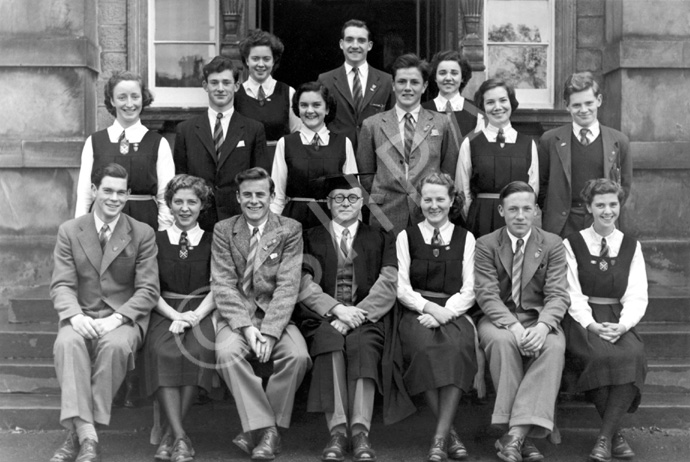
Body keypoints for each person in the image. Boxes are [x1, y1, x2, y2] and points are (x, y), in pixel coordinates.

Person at [49, 163, 159, 462]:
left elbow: (148, 290)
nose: (114, 198)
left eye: (121, 192)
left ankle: (78, 435)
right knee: (67, 343)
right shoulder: (70, 231)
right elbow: (61, 285)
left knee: (114, 347)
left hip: (123, 318)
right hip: (82, 313)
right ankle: (88, 436)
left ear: (129, 195)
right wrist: (75, 317)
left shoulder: (142, 233)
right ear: (94, 190)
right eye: (107, 190)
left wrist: (117, 318)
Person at [212, 167, 311, 460]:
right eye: (248, 195)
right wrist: (245, 327)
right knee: (227, 354)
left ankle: (255, 428)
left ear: (271, 196)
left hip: (274, 316)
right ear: (238, 198)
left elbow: (288, 285)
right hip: (238, 317)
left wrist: (269, 331)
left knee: (298, 357)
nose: (254, 201)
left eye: (260, 194)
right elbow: (223, 284)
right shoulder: (224, 230)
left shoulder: (289, 229)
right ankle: (268, 431)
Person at [297, 173, 397, 462]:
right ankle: (338, 431)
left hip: (366, 317)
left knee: (362, 346)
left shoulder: (379, 237)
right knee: (329, 343)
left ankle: (360, 431)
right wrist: (336, 310)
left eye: (352, 198)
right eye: (338, 198)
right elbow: (302, 281)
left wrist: (356, 315)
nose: (345, 203)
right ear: (328, 203)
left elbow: (388, 282)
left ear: (362, 203)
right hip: (323, 317)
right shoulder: (310, 236)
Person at [474, 181, 569, 462]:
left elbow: (558, 295)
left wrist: (542, 327)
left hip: (538, 318)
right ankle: (522, 434)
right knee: (503, 343)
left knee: (552, 347)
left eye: (527, 209)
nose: (520, 215)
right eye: (513, 209)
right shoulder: (487, 244)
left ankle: (513, 435)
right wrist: (513, 327)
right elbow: (487, 295)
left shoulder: (552, 244)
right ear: (501, 210)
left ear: (536, 211)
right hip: (498, 318)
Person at [392, 173, 477, 462]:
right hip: (417, 310)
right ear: (420, 200)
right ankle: (448, 433)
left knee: (457, 349)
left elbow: (470, 289)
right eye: (427, 199)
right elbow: (401, 287)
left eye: (440, 199)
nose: (434, 205)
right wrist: (428, 308)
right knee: (424, 349)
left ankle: (440, 437)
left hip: (454, 311)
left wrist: (446, 313)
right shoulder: (407, 236)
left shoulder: (466, 238)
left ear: (452, 200)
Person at [562, 179, 647, 462]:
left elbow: (637, 294)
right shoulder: (572, 243)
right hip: (583, 319)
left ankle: (605, 438)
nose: (607, 211)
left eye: (613, 204)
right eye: (600, 205)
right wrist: (591, 324)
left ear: (619, 206)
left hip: (618, 318)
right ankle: (614, 435)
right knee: (597, 356)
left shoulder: (631, 246)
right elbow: (571, 293)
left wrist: (623, 325)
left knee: (632, 354)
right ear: (589, 207)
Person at [143, 175, 217, 462]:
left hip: (201, 312)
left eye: (192, 202)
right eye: (178, 202)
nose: (184, 208)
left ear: (202, 206)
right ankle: (180, 437)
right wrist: (175, 315)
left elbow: (219, 286)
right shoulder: (155, 239)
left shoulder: (213, 240)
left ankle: (169, 437)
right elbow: (149, 287)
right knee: (163, 351)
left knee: (197, 351)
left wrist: (193, 317)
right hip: (164, 309)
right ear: (169, 205)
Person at [357, 53, 460, 235]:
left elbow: (448, 171)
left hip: (428, 212)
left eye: (414, 82)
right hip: (385, 214)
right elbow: (366, 175)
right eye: (402, 82)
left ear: (424, 86)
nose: (407, 88)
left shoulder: (442, 123)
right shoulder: (372, 125)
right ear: (393, 85)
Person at [173, 56, 267, 232]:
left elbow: (259, 179)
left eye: (226, 82)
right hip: (198, 221)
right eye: (214, 83)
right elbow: (180, 179)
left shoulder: (253, 129)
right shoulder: (186, 130)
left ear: (236, 86)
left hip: (239, 220)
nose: (220, 88)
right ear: (205, 86)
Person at [75, 71, 174, 231]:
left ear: (143, 98)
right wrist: (79, 231)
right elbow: (85, 193)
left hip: (144, 223)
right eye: (122, 97)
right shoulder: (94, 142)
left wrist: (163, 235)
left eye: (135, 96)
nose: (129, 104)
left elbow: (165, 196)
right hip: (103, 223)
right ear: (112, 100)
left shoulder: (158, 143)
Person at [538, 71, 632, 237]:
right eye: (576, 105)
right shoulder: (550, 140)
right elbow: (542, 185)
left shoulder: (619, 141)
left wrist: (604, 211)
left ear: (599, 101)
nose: (583, 110)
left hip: (601, 222)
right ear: (567, 106)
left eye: (589, 103)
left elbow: (624, 187)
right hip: (562, 224)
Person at [456, 79, 539, 238]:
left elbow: (533, 188)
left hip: (517, 220)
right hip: (480, 220)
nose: (497, 107)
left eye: (503, 100)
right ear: (483, 106)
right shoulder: (471, 144)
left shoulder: (528, 144)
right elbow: (462, 190)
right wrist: (476, 216)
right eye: (490, 102)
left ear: (511, 102)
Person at [270, 82, 358, 229]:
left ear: (327, 108)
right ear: (297, 109)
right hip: (294, 221)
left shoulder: (343, 143)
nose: (310, 111)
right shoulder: (285, 143)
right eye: (304, 105)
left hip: (331, 221)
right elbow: (277, 195)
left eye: (316, 105)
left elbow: (353, 191)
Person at [318, 19, 394, 148]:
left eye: (361, 40)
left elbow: (393, 124)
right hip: (337, 155)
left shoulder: (386, 81)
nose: (355, 45)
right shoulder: (325, 80)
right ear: (341, 44)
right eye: (349, 40)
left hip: (375, 156)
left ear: (369, 46)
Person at [235, 29, 302, 170]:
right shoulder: (236, 94)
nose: (261, 64)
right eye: (255, 59)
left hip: (279, 164)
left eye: (266, 59)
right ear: (247, 60)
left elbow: (298, 135)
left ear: (274, 61)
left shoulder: (288, 93)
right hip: (245, 165)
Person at [421, 50, 482, 148]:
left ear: (462, 77)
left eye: (454, 73)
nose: (448, 78)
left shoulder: (476, 111)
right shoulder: (422, 111)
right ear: (435, 77)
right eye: (442, 73)